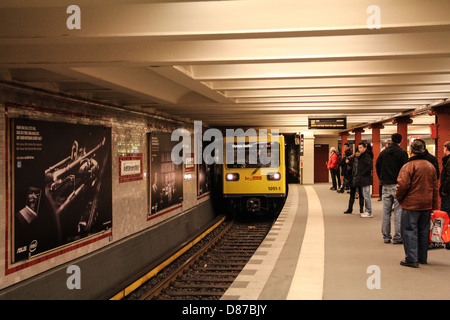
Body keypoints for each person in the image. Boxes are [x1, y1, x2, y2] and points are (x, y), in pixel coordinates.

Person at [395, 140, 438, 268]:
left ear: (411, 150)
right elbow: (435, 188)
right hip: (426, 204)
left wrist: (399, 198)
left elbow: (402, 185)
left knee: (409, 230)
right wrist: (434, 206)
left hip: (411, 204)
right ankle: (422, 257)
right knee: (423, 231)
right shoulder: (430, 166)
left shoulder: (408, 166)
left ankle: (412, 259)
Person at [376, 133, 408, 244]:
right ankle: (398, 237)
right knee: (398, 212)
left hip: (385, 185)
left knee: (386, 212)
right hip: (398, 185)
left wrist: (381, 177)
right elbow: (405, 169)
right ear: (401, 141)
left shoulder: (383, 153)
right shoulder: (403, 153)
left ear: (391, 140)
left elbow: (377, 166)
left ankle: (386, 236)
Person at [355, 142, 373, 218]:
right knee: (365, 194)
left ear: (365, 148)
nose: (359, 149)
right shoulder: (362, 156)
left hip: (365, 178)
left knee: (366, 195)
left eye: (361, 147)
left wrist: (362, 173)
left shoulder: (366, 156)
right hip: (363, 178)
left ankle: (369, 211)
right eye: (359, 147)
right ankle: (367, 210)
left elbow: (369, 166)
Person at [343, 149, 364, 214]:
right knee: (352, 195)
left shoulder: (362, 159)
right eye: (356, 152)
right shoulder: (351, 159)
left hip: (360, 179)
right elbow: (347, 167)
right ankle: (350, 209)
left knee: (361, 195)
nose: (357, 153)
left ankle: (361, 209)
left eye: (358, 152)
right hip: (353, 179)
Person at [440, 141, 450, 214]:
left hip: (447, 192)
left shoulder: (448, 161)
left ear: (446, 148)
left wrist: (444, 190)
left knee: (445, 213)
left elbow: (448, 177)